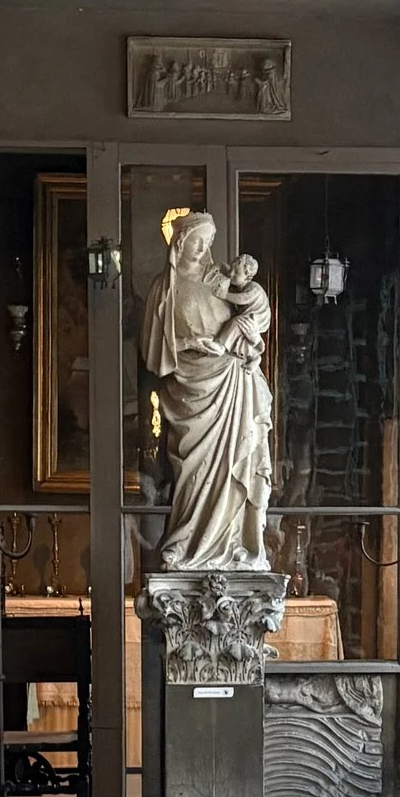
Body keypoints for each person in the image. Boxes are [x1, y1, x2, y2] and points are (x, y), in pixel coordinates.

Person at [136, 213, 274, 569]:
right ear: (180, 242)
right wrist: (190, 342)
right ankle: (184, 543)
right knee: (192, 471)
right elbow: (154, 351)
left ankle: (231, 543)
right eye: (198, 240)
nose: (203, 248)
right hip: (189, 388)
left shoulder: (220, 280)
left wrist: (244, 326)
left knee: (232, 463)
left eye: (209, 242)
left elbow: (258, 313)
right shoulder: (163, 288)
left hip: (230, 381)